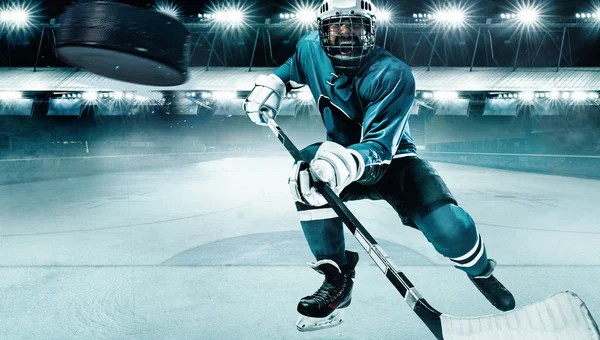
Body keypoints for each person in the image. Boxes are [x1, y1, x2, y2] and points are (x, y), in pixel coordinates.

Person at [243, 0, 515, 331]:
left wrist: (344, 162)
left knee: (450, 229)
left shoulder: (393, 73)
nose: (346, 36)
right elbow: (292, 68)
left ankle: (480, 271)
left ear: (371, 29)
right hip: (337, 157)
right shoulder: (309, 48)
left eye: (354, 26)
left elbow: (380, 148)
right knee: (305, 177)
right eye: (336, 27)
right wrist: (272, 85)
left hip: (393, 161)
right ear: (322, 31)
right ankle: (337, 280)